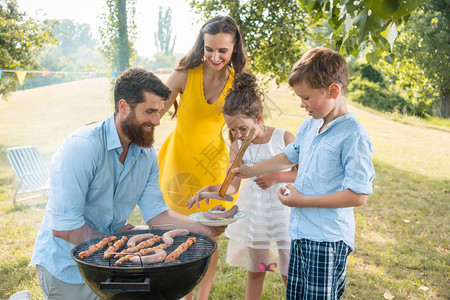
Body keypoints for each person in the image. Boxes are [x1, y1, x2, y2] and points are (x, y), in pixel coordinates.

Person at [30, 67, 225, 300]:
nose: (157, 121)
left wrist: (202, 226)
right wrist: (117, 245)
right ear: (124, 107)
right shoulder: (82, 147)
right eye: (150, 111)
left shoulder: (147, 155)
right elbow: (65, 228)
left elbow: (157, 214)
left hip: (112, 262)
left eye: (160, 111)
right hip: (68, 269)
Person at [231, 47, 376, 299]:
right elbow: (289, 156)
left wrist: (302, 202)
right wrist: (250, 170)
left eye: (306, 98)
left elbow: (358, 195)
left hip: (326, 240)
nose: (302, 104)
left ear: (333, 91)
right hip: (299, 234)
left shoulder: (353, 135)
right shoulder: (310, 126)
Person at [157, 16, 248, 299]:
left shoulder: (239, 82)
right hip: (179, 164)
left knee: (209, 235)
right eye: (209, 49)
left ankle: (202, 296)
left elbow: (242, 133)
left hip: (213, 168)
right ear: (202, 45)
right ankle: (181, 293)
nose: (215, 56)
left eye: (223, 50)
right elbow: (154, 110)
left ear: (234, 48)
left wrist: (241, 169)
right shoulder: (186, 73)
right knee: (175, 233)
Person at [187, 72, 297, 299]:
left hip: (283, 214)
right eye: (232, 129)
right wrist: (207, 191)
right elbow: (232, 188)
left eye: (242, 129)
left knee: (289, 272)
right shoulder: (237, 145)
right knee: (258, 270)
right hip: (256, 215)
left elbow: (303, 175)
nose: (237, 134)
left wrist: (276, 177)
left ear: (258, 118)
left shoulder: (283, 138)